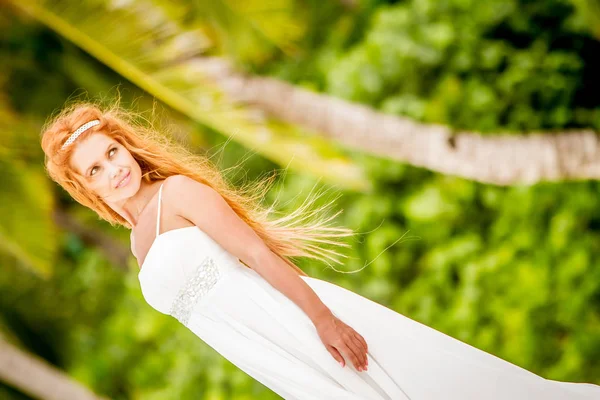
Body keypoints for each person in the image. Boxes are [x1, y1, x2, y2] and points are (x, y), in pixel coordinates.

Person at [41, 102, 600, 400]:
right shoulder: (139, 245)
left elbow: (258, 257)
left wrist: (326, 323)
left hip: (299, 324)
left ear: (126, 147)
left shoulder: (178, 195)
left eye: (112, 152)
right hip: (266, 355)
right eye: (95, 169)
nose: (113, 169)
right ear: (84, 188)